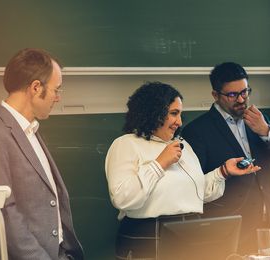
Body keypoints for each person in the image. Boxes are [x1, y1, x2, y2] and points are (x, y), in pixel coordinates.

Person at [105, 81, 261, 260]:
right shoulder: (125, 144)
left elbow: (195, 194)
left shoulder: (182, 145)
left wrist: (223, 172)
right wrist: (159, 164)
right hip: (147, 237)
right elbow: (122, 198)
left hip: (189, 236)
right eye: (173, 113)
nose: (179, 122)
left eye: (180, 114)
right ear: (153, 113)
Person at [0, 48, 83, 260]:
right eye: (56, 90)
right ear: (35, 88)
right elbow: (2, 213)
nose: (57, 98)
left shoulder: (29, 130)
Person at [181, 62, 270, 255]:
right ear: (215, 95)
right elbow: (194, 186)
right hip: (229, 235)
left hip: (269, 227)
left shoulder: (259, 120)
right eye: (233, 95)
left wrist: (266, 131)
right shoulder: (197, 131)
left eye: (245, 92)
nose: (241, 99)